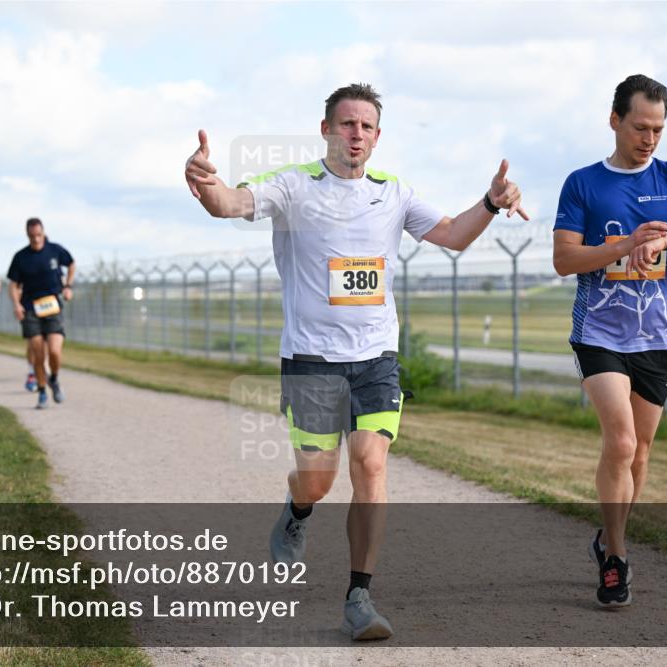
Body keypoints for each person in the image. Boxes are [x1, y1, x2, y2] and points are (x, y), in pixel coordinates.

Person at [184, 82, 526, 639]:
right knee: (317, 481)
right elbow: (230, 203)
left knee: (370, 465)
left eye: (366, 126)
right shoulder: (293, 186)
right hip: (311, 360)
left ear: (378, 136)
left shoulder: (394, 192)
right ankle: (296, 514)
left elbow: (454, 235)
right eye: (346, 124)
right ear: (326, 130)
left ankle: (359, 597)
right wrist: (204, 181)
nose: (356, 134)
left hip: (375, 358)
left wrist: (490, 202)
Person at [553, 74, 667, 608]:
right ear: (615, 121)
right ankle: (615, 556)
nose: (649, 138)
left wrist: (666, 238)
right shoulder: (583, 183)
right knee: (623, 441)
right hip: (600, 334)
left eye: (658, 128)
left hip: (657, 336)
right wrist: (620, 246)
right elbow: (564, 260)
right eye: (639, 127)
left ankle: (608, 535)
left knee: (641, 454)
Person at [7, 218, 75, 409]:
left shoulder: (55, 250)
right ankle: (42, 391)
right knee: (38, 353)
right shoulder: (21, 257)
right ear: (27, 235)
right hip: (31, 309)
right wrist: (16, 304)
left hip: (53, 307)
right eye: (32, 236)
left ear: (43, 232)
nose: (36, 240)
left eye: (39, 235)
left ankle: (54, 378)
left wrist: (68, 286)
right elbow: (12, 285)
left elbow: (71, 263)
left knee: (54, 351)